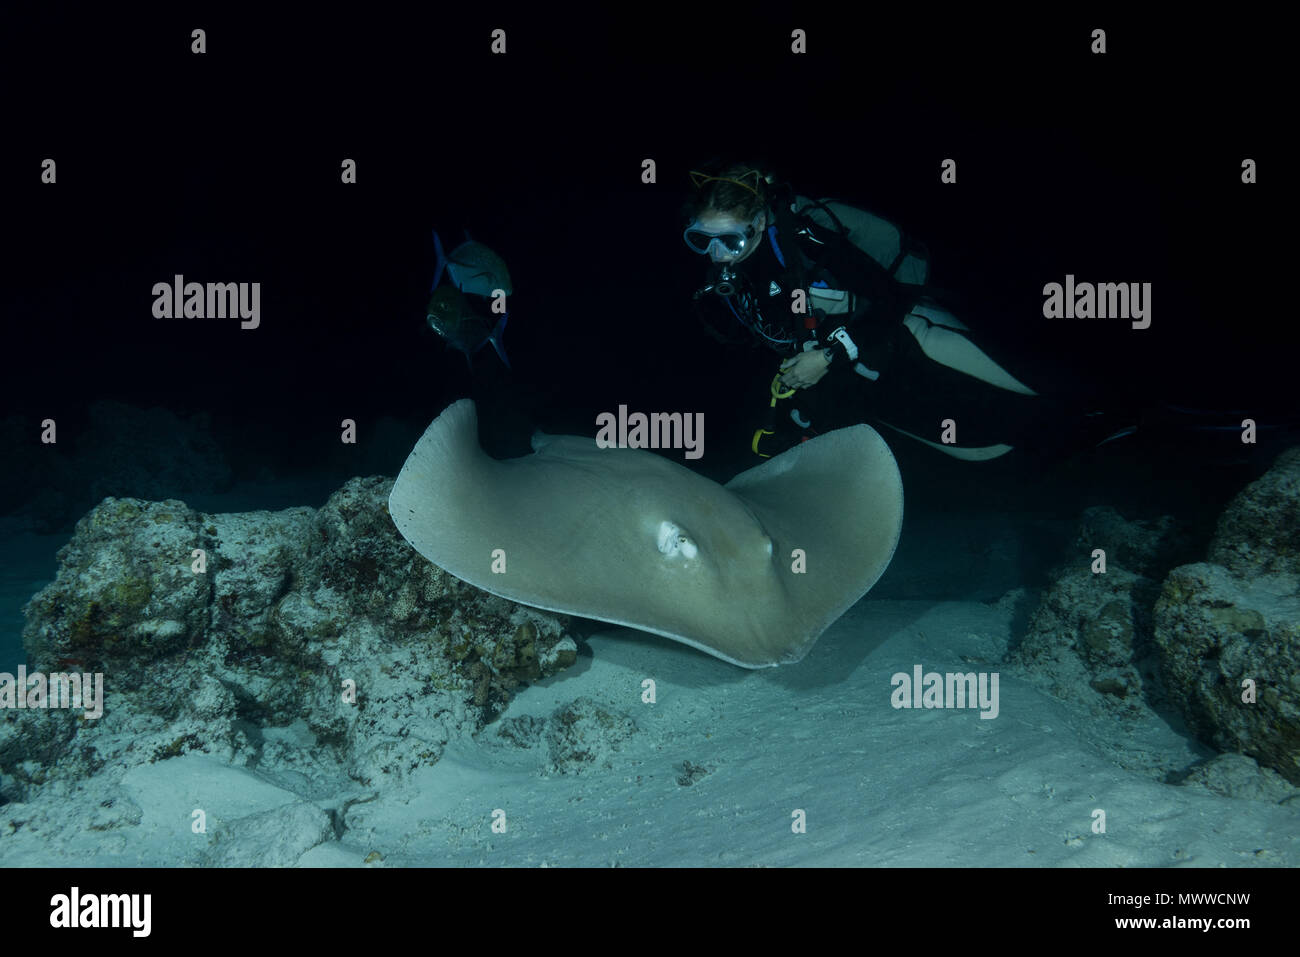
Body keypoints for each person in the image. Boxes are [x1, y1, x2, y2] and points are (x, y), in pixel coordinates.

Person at [683, 164, 1091, 461]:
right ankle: (1088, 442)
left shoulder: (806, 239)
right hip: (865, 368)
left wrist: (827, 356)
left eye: (731, 242)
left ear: (758, 220)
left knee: (1031, 381)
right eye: (701, 240)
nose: (717, 255)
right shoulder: (732, 277)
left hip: (909, 333)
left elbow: (892, 299)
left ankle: (1128, 409)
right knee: (983, 440)